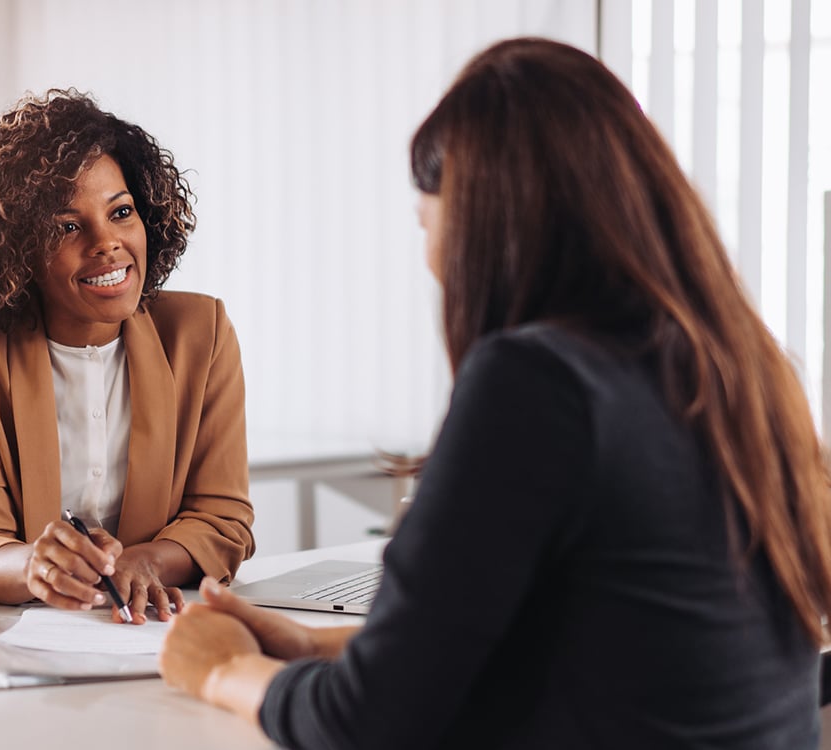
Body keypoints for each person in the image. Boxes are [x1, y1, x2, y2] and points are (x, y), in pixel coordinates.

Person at [158, 37, 831, 747]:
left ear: (484, 220)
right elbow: (590, 650)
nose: (431, 260)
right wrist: (310, 646)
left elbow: (367, 725)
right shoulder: (749, 370)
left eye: (427, 220)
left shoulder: (539, 383)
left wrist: (223, 670)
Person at [0, 88, 255, 624]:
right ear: (15, 246)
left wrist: (146, 562)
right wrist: (34, 567)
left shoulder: (199, 333)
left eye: (121, 212)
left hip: (147, 631)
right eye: (67, 226)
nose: (107, 243)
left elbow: (222, 519)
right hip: (2, 638)